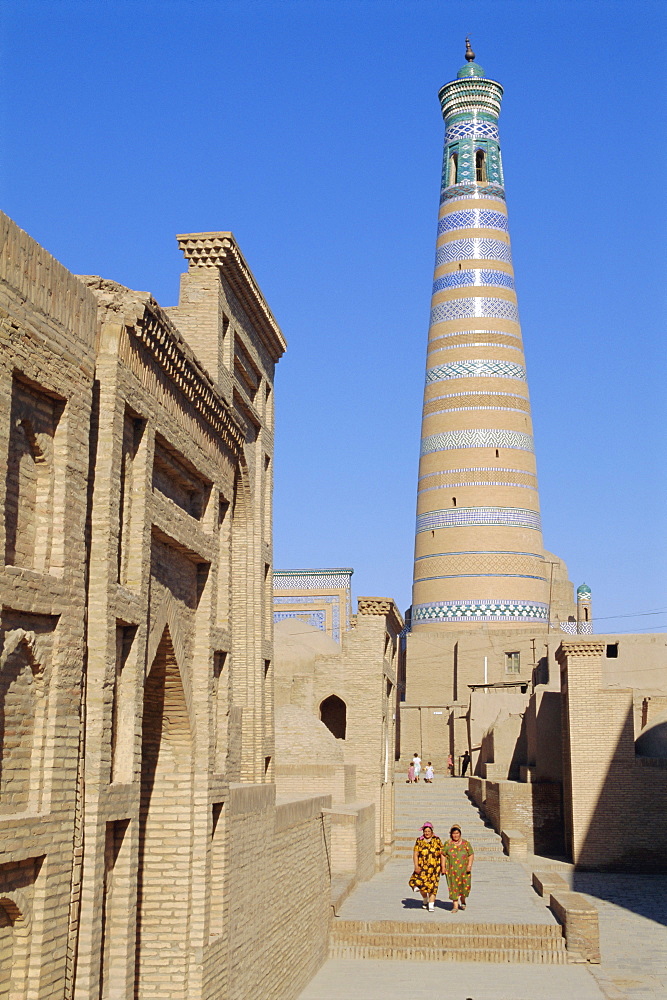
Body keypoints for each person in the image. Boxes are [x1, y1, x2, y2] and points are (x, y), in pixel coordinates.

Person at [408, 822, 445, 911]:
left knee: (433, 886)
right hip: (422, 867)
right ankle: (425, 899)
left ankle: (431, 904)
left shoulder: (437, 840)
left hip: (435, 868)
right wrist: (416, 866)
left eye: (428, 831)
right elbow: (415, 854)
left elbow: (442, 854)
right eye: (425, 831)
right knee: (421, 885)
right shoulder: (419, 841)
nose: (427, 833)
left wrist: (443, 867)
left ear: (432, 831)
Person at [442, 824, 474, 912]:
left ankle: (463, 900)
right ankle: (455, 905)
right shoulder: (447, 844)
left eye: (457, 833)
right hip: (452, 870)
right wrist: (443, 867)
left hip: (464, 870)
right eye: (454, 833)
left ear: (460, 834)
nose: (455, 835)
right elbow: (443, 855)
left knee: (465, 886)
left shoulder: (466, 844)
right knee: (453, 887)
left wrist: (469, 865)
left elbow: (471, 854)